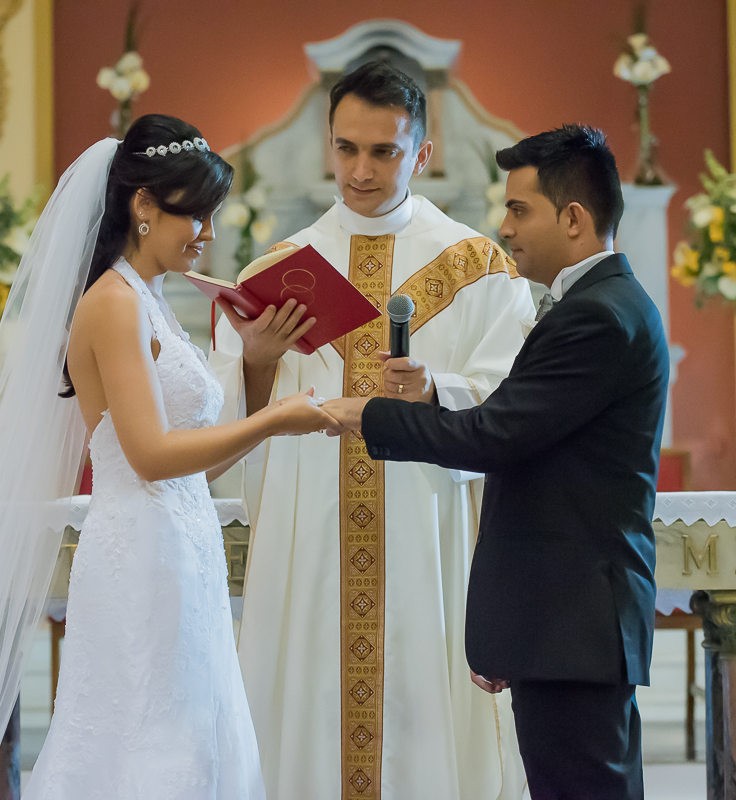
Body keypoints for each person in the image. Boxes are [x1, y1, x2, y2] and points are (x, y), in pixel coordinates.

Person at [0, 115, 335, 800]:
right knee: (138, 742)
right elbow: (147, 457)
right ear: (143, 204)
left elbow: (196, 469)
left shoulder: (151, 300)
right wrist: (274, 420)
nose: (207, 231)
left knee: (190, 735)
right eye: (194, 214)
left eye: (212, 214)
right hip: (140, 555)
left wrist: (259, 373)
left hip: (181, 547)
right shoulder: (114, 303)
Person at [210, 62, 534, 799]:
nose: (361, 170)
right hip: (311, 538)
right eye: (347, 148)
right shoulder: (280, 270)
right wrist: (257, 363)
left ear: (422, 152)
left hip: (429, 533)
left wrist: (434, 390)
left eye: (384, 152)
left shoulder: (479, 270)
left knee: (426, 709)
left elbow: (513, 403)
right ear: (328, 142)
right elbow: (227, 428)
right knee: (314, 702)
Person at [323, 125, 670, 800]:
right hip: (560, 622)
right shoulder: (595, 304)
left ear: (573, 218)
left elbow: (496, 435)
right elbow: (527, 433)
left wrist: (368, 416)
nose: (504, 227)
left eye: (519, 209)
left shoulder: (597, 314)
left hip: (572, 620)